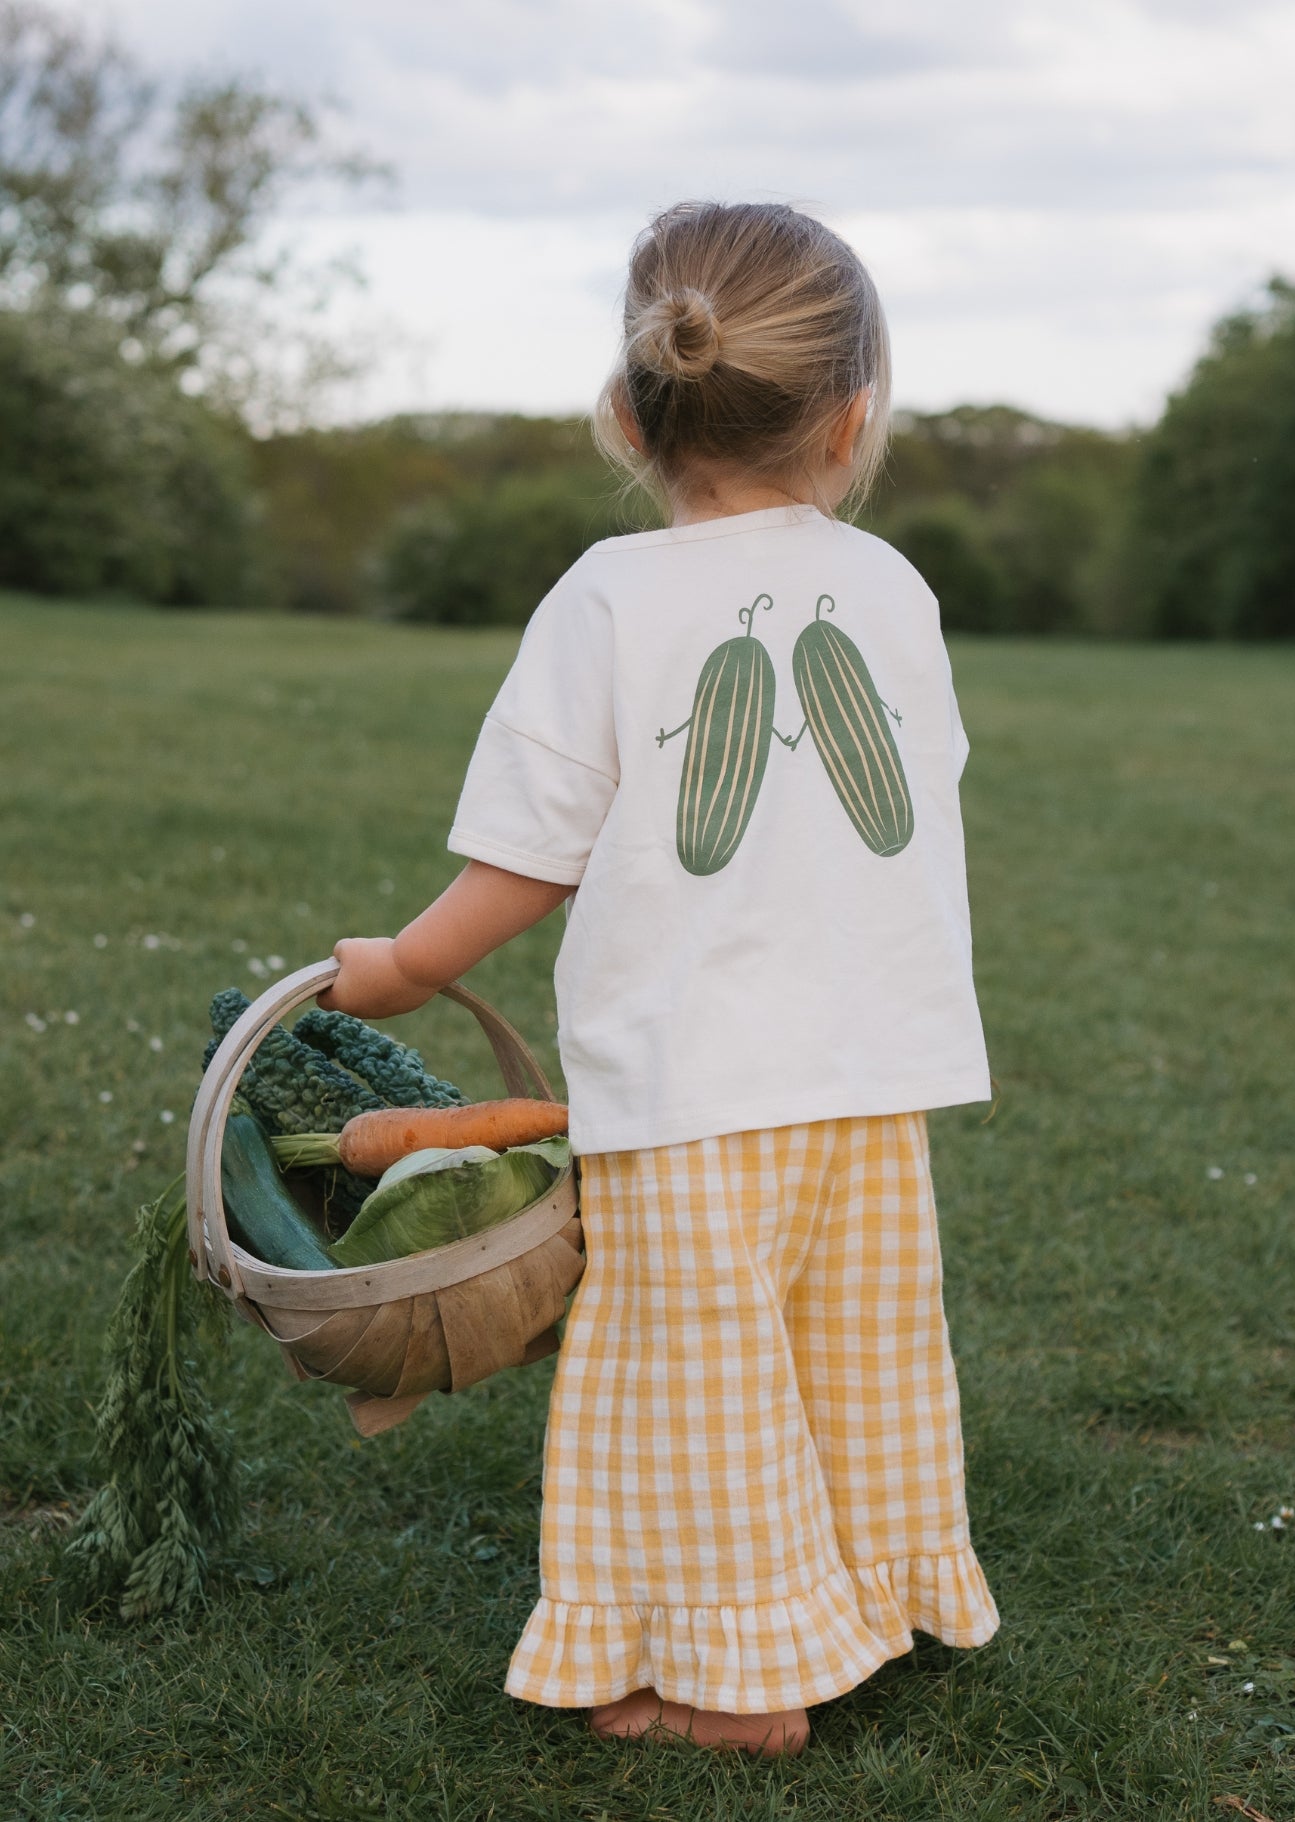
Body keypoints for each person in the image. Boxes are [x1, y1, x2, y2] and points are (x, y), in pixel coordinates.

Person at [318, 200, 999, 1757]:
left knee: (693, 1375)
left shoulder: (610, 596)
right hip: (871, 1071)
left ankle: (738, 1681)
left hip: (698, 1083)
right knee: (852, 1340)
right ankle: (874, 1595)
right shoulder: (893, 590)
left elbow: (529, 849)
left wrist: (408, 963)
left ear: (628, 412)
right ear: (853, 418)